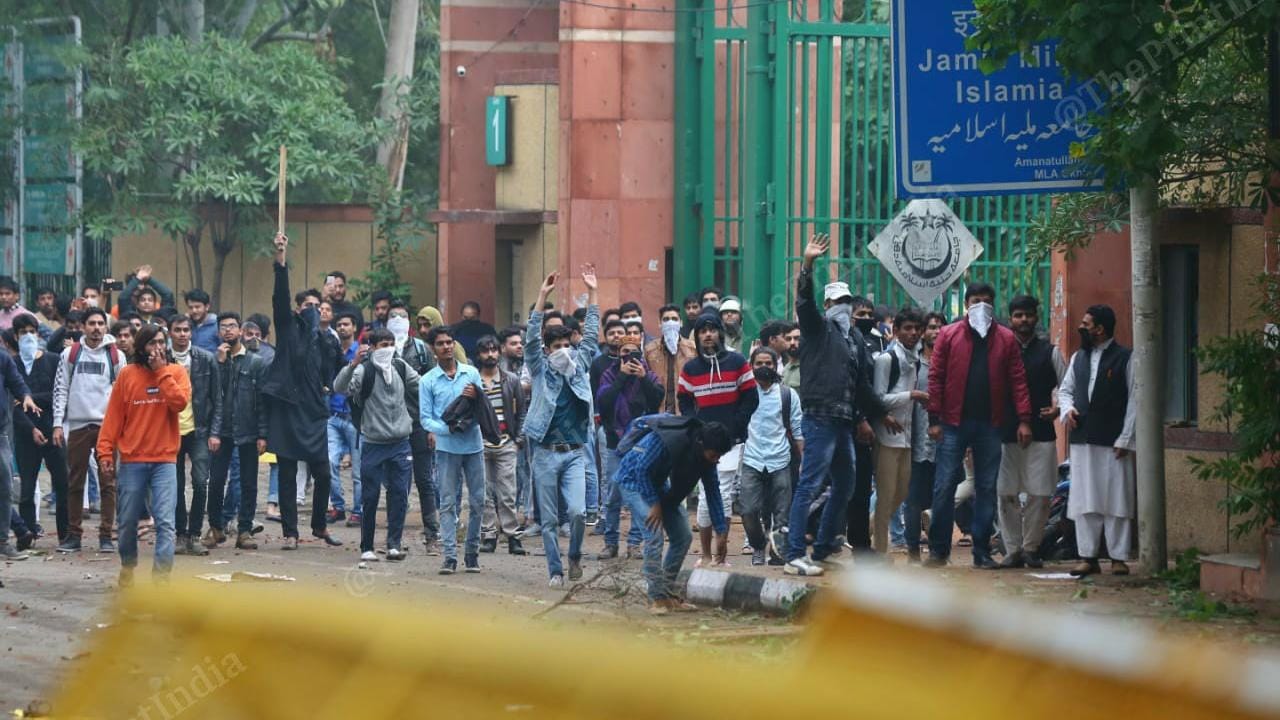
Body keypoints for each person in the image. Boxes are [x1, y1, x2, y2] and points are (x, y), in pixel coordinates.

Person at [781, 234, 886, 576]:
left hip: (843, 422)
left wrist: (881, 412)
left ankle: (825, 547)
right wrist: (808, 264)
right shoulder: (817, 329)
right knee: (810, 483)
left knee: (847, 483)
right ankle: (795, 552)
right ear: (828, 306)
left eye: (847, 301)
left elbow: (861, 387)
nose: (844, 306)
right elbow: (804, 303)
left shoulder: (853, 339)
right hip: (819, 417)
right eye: (837, 301)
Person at [925, 282, 1033, 569]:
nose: (981, 305)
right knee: (944, 485)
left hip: (991, 424)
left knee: (987, 488)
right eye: (975, 300)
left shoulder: (1006, 339)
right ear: (966, 303)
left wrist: (1024, 419)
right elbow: (935, 377)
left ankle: (982, 552)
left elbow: (1017, 380)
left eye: (986, 300)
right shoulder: (949, 335)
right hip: (952, 422)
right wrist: (934, 419)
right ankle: (938, 551)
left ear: (993, 303)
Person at [262, 232, 344, 551]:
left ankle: (319, 525)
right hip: (287, 409)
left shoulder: (324, 338)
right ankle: (291, 532)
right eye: (307, 306)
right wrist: (281, 262)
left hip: (313, 412)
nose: (313, 310)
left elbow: (336, 366)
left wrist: (328, 381)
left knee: (322, 472)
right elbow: (279, 298)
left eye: (317, 306)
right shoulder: (287, 327)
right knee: (286, 472)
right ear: (297, 309)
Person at [96, 324, 191, 586]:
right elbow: (113, 418)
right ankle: (128, 565)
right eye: (152, 343)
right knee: (126, 523)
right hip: (132, 461)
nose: (157, 348)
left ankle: (160, 580)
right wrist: (105, 452)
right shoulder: (127, 375)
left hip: (165, 461)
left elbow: (179, 403)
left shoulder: (176, 372)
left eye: (161, 342)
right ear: (141, 347)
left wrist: (161, 373)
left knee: (165, 522)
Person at [523, 266, 599, 587]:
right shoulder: (540, 369)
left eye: (567, 346)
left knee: (579, 513)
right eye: (556, 348)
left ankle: (575, 557)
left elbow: (593, 333)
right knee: (550, 520)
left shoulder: (580, 365)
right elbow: (529, 340)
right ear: (548, 350)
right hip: (545, 452)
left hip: (573, 453)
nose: (563, 353)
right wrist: (542, 297)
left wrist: (593, 292)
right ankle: (555, 570)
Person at [616, 416, 733, 614]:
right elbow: (641, 470)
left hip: (658, 482)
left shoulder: (706, 456)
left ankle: (667, 593)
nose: (717, 460)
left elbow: (713, 492)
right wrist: (654, 504)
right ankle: (656, 598)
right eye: (714, 455)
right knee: (654, 536)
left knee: (683, 536)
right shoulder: (667, 440)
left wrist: (721, 531)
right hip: (633, 480)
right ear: (701, 444)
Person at [1059, 305, 1137, 577]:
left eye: (1086, 323)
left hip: (1114, 442)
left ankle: (1118, 558)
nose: (1082, 328)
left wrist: (1126, 438)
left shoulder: (1127, 357)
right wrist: (1067, 410)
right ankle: (1088, 557)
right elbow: (1065, 391)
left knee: (1117, 500)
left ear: (1100, 328)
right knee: (1084, 500)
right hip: (1082, 440)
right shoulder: (1078, 358)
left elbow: (1135, 401)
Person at [678, 308, 757, 567]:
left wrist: (736, 426)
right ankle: (706, 554)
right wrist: (697, 428)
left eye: (712, 330)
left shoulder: (737, 362)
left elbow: (750, 397)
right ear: (697, 336)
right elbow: (684, 400)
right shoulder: (690, 368)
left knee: (721, 493)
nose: (708, 334)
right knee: (705, 495)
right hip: (703, 444)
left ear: (720, 334)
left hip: (731, 442)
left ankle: (719, 554)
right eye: (703, 331)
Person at [335, 328, 421, 562]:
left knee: (399, 494)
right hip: (373, 443)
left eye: (391, 344)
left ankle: (394, 544)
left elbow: (423, 386)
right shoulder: (365, 370)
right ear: (372, 347)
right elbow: (340, 388)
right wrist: (352, 364)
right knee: (370, 496)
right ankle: (367, 546)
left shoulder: (401, 367)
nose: (388, 349)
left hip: (401, 443)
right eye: (383, 344)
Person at [998, 295, 1067, 569]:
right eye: (1018, 315)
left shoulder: (1049, 352)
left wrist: (1058, 409)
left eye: (1028, 315)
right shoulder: (1000, 351)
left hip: (1041, 431)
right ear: (1010, 318)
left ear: (1036, 318)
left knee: (1040, 493)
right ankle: (1012, 550)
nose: (1023, 320)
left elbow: (1066, 386)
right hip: (1004, 431)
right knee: (1005, 493)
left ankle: (1030, 548)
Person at [52, 307, 121, 553]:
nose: (96, 328)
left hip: (106, 428)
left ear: (106, 326)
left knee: (108, 484)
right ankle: (74, 536)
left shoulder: (116, 356)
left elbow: (122, 394)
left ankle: (105, 536)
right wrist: (58, 423)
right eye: (91, 323)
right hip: (78, 425)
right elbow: (60, 389)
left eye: (100, 323)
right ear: (83, 326)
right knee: (75, 483)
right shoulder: (70, 354)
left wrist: (121, 428)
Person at [419, 325, 486, 574]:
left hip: (474, 445)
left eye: (449, 342)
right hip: (447, 447)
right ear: (433, 349)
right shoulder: (427, 381)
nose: (446, 347)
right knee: (447, 502)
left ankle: (472, 552)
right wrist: (449, 429)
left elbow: (483, 409)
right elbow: (426, 419)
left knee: (479, 501)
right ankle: (449, 555)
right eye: (441, 343)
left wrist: (476, 397)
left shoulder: (471, 374)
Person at [204, 312, 270, 551]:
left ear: (241, 331)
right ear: (218, 332)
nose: (228, 331)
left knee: (249, 482)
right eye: (223, 327)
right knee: (216, 481)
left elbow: (262, 402)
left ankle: (244, 530)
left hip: (248, 431)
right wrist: (221, 364)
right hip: (221, 431)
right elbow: (213, 396)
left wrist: (263, 434)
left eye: (232, 326)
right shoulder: (214, 360)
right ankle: (215, 528)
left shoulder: (255, 362)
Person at [596, 338, 664, 559]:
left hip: (641, 442)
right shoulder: (609, 374)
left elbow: (657, 400)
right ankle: (611, 542)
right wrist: (623, 376)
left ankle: (634, 543)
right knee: (614, 494)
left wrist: (643, 378)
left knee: (637, 492)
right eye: (625, 352)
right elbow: (604, 402)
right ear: (618, 353)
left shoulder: (648, 374)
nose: (630, 357)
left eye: (635, 353)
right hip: (615, 442)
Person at [871, 307, 927, 554]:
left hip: (906, 437)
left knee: (901, 492)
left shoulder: (914, 360)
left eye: (917, 329)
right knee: (886, 494)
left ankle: (870, 525)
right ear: (895, 331)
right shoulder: (886, 359)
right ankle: (881, 551)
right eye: (907, 328)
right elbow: (879, 398)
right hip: (886, 437)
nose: (913, 333)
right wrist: (912, 395)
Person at [740, 347, 802, 566]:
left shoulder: (787, 395)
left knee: (782, 513)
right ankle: (758, 545)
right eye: (759, 363)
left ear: (776, 365)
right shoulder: (744, 393)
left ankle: (778, 552)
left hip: (780, 458)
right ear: (751, 366)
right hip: (751, 459)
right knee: (748, 510)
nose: (764, 367)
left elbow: (797, 429)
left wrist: (802, 460)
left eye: (768, 363)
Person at [12, 314, 69, 545]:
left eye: (32, 331)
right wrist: (30, 428)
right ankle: (28, 535)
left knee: (63, 484)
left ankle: (66, 535)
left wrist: (27, 397)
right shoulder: (11, 364)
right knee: (26, 488)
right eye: (23, 332)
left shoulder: (52, 360)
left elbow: (58, 394)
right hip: (25, 435)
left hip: (53, 430)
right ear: (15, 336)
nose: (28, 336)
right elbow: (10, 404)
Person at [167, 316, 221, 557]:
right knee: (175, 486)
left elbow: (216, 399)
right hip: (169, 430)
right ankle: (180, 534)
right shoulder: (162, 359)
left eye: (186, 330)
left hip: (199, 430)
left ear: (192, 332)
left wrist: (215, 432)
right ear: (170, 332)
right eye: (177, 330)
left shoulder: (205, 359)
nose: (182, 334)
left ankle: (195, 534)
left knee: (200, 482)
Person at [388, 301, 440, 550]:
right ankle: (394, 538)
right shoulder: (382, 348)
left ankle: (432, 535)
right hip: (391, 426)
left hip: (419, 423)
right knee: (397, 483)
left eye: (402, 316)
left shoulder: (421, 350)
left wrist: (432, 427)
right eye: (393, 316)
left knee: (425, 481)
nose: (397, 319)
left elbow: (432, 388)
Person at [474, 335, 526, 555]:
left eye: (494, 350)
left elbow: (522, 413)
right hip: (480, 442)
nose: (491, 354)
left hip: (506, 442)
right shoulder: (472, 380)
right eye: (486, 351)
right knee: (483, 491)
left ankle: (513, 536)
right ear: (479, 355)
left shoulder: (511, 380)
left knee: (507, 492)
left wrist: (518, 440)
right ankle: (488, 535)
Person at [904, 312, 946, 563]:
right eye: (931, 327)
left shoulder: (951, 363)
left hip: (943, 441)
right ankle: (912, 552)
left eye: (940, 327)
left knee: (940, 498)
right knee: (913, 500)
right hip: (915, 440)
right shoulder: (913, 363)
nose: (936, 331)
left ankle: (937, 550)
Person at [0, 322, 37, 560]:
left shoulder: (3, 359)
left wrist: (26, 397)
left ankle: (3, 541)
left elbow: (17, 383)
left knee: (3, 488)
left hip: (0, 434)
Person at [326, 312, 363, 528]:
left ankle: (358, 511)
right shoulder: (331, 351)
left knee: (358, 470)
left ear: (354, 327)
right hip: (333, 415)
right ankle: (337, 507)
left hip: (353, 418)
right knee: (329, 463)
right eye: (338, 325)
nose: (342, 328)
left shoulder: (361, 352)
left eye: (346, 324)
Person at [644, 304, 696, 416]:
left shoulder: (693, 349)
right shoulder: (649, 350)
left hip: (684, 413)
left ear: (680, 323)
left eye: (674, 319)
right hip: (659, 412)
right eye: (666, 319)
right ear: (660, 323)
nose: (670, 323)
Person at [184, 290, 219, 354]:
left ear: (207, 307)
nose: (194, 311)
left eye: (197, 307)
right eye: (190, 307)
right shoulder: (187, 325)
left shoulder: (217, 325)